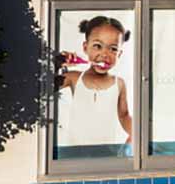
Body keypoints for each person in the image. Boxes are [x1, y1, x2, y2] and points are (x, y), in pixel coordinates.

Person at [55, 15, 133, 156]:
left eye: (113, 49)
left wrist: (136, 134)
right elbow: (44, 87)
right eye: (97, 46)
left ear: (120, 54)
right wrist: (57, 63)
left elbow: (124, 115)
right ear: (85, 48)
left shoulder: (119, 83)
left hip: (107, 153)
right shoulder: (73, 78)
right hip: (74, 152)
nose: (105, 54)